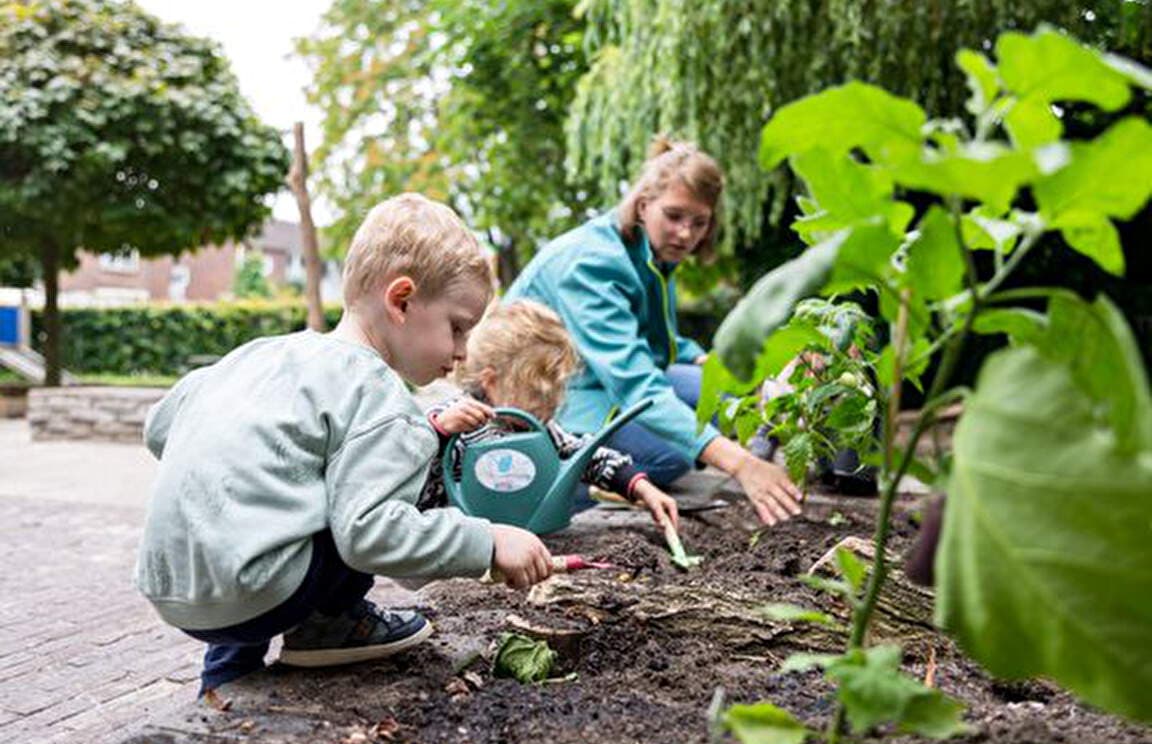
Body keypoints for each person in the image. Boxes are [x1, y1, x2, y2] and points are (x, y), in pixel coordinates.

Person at [135, 194, 554, 695]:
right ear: (401, 301)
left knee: (264, 506)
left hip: (171, 588)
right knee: (355, 502)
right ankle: (330, 625)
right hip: (261, 594)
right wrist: (486, 541)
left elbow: (159, 426)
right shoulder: (379, 396)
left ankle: (226, 677)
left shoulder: (260, 354)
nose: (462, 353)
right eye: (458, 327)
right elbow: (371, 534)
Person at [505, 137, 803, 525]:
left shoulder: (650, 255)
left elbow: (653, 339)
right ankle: (585, 483)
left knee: (718, 391)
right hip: (551, 402)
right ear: (644, 206)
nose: (686, 234)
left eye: (700, 222)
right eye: (675, 216)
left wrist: (714, 363)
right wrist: (741, 463)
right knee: (674, 453)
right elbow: (636, 385)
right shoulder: (594, 265)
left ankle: (628, 464)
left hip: (595, 379)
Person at [416, 300, 680, 530]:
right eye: (537, 393)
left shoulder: (535, 427)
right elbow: (405, 460)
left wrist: (638, 486)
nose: (550, 405)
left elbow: (583, 455)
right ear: (491, 382)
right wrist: (440, 431)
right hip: (452, 542)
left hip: (520, 533)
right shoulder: (457, 419)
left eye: (556, 393)